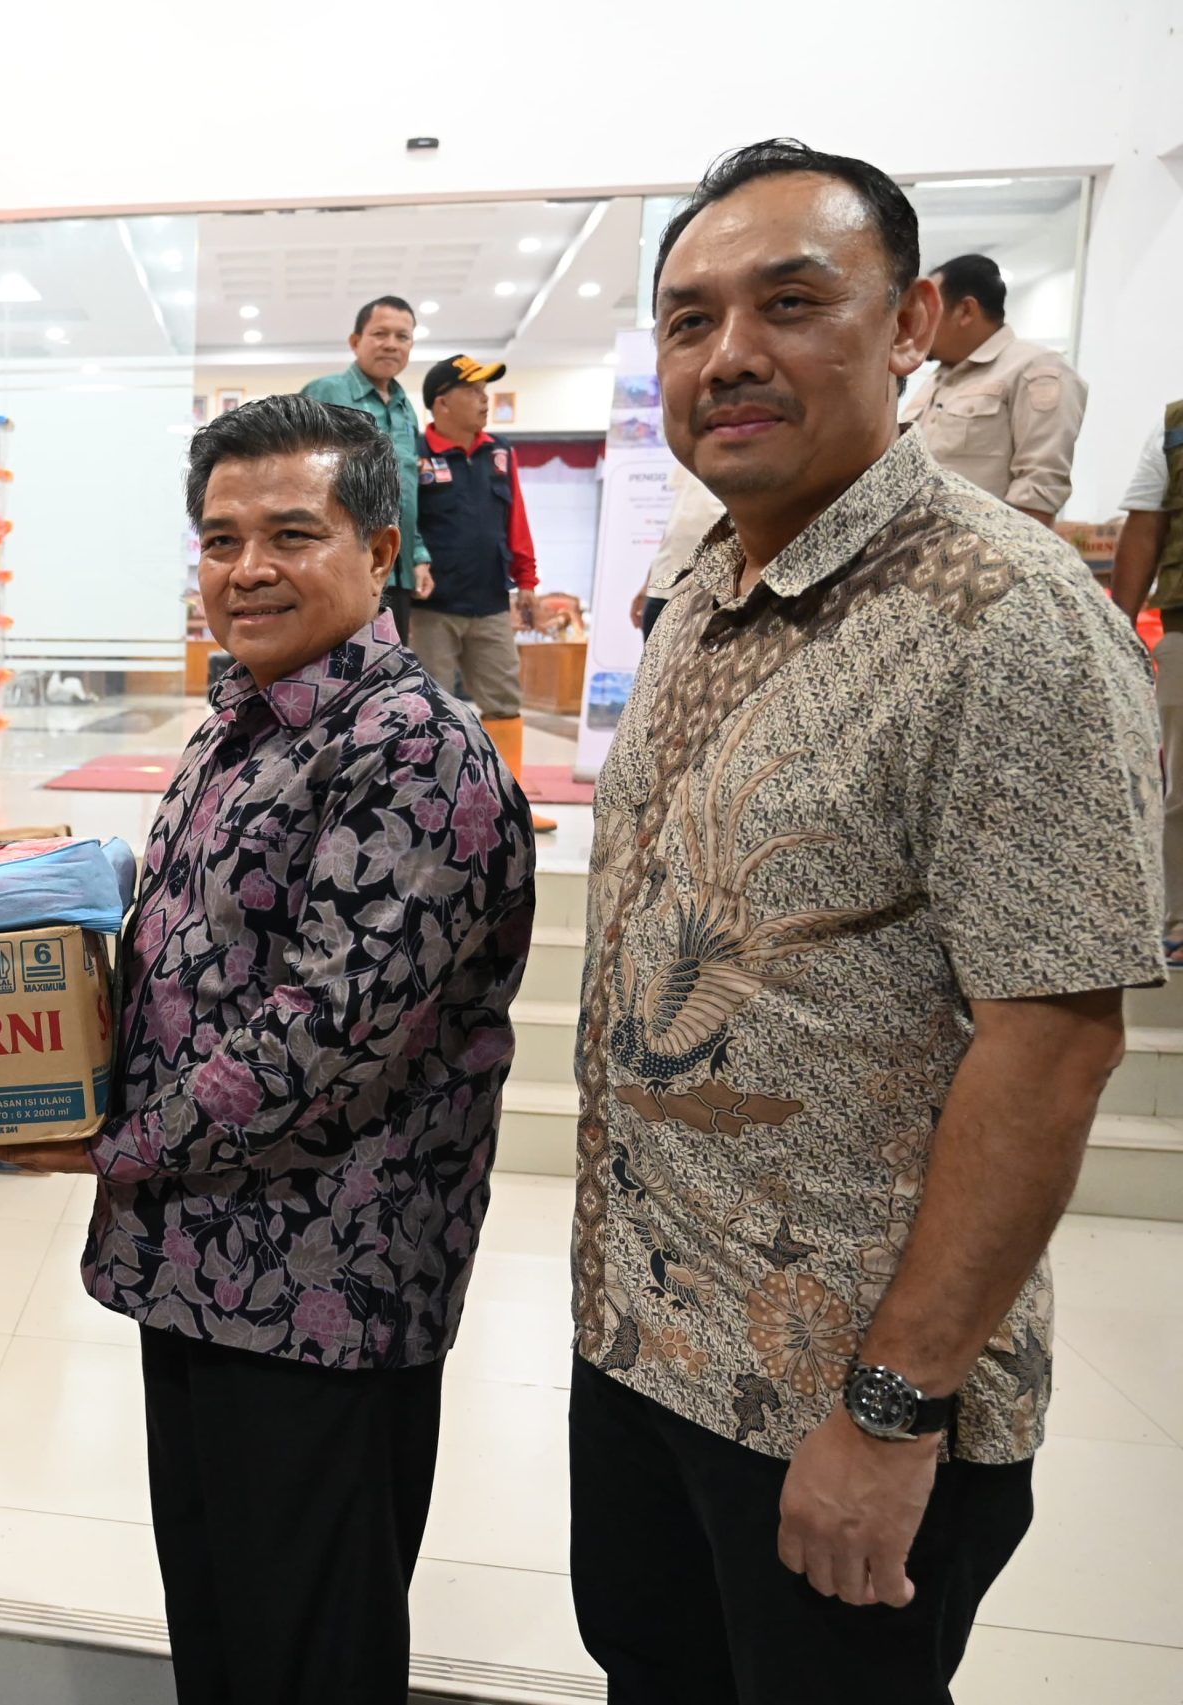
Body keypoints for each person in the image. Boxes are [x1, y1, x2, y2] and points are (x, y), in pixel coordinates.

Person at [571, 140, 1158, 1705]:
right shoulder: (702, 590)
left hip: (839, 1402)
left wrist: (895, 1409)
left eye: (791, 302)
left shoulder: (1008, 615)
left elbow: (1056, 1041)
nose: (729, 354)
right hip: (646, 1344)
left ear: (908, 327)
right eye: (690, 319)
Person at [0, 395, 535, 1704]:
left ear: (382, 548)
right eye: (220, 538)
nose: (247, 569)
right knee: (225, 1632)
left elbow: (324, 1033)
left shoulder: (411, 748)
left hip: (318, 1296)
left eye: (292, 533)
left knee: (307, 1654)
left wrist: (111, 1143)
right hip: (195, 1263)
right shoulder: (244, 722)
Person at [413, 353, 556, 831]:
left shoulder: (500, 452)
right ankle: (430, 808)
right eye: (473, 391)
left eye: (485, 390)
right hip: (432, 608)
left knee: (504, 702)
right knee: (430, 706)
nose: (484, 399)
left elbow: (517, 519)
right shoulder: (415, 454)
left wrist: (528, 581)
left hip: (491, 600)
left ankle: (508, 807)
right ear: (442, 402)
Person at [899, 253, 1088, 523]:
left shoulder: (1034, 368)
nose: (919, 325)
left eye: (930, 312)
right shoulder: (937, 380)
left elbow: (1038, 488)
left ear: (966, 311)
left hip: (979, 546)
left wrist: (1015, 549)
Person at [303, 295, 433, 642]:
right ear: (355, 341)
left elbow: (409, 490)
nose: (391, 344)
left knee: (388, 665)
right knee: (334, 663)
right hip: (341, 562)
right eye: (380, 334)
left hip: (396, 567)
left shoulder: (406, 409)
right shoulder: (326, 391)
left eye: (402, 337)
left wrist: (418, 556)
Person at [1107, 402, 1183, 964]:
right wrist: (1120, 626)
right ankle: (1180, 920)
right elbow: (1145, 523)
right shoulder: (1177, 423)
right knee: (1181, 791)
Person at [631, 468, 727, 640]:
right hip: (663, 589)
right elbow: (674, 527)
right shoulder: (690, 461)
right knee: (654, 656)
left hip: (713, 595)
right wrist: (648, 583)